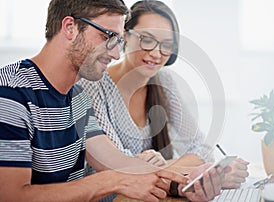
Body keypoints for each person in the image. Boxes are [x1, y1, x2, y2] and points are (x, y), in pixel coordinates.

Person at [0, 0, 227, 201]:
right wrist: (111, 181)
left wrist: (184, 184)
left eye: (117, 40)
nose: (116, 54)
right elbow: (11, 196)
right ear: (70, 27)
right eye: (107, 36)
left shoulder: (76, 97)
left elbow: (119, 163)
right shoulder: (9, 92)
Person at [78, 0, 249, 191]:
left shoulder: (164, 81)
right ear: (124, 36)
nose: (156, 53)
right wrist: (192, 171)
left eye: (167, 45)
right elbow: (122, 167)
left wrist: (171, 168)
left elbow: (202, 148)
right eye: (147, 40)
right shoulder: (93, 86)